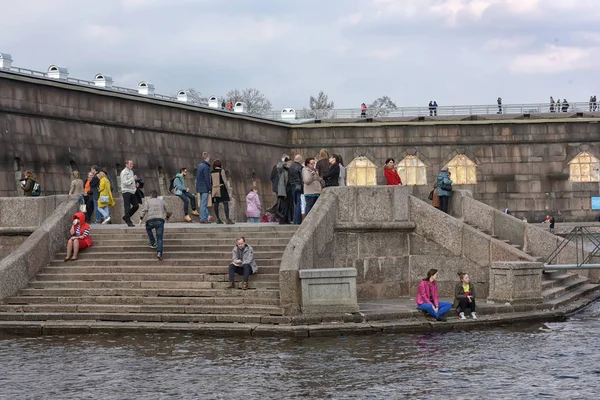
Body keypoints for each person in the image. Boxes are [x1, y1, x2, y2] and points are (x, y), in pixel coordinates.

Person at [138, 190, 172, 260]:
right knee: (159, 238)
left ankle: (152, 242)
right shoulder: (162, 201)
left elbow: (144, 210)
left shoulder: (148, 201)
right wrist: (167, 217)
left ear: (151, 195)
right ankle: (159, 252)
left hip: (150, 221)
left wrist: (141, 219)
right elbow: (169, 210)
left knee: (148, 228)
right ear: (157, 195)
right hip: (160, 221)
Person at [211, 160, 234, 224]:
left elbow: (211, 181)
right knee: (225, 203)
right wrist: (227, 187)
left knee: (216, 204)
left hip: (214, 189)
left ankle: (218, 219)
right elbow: (224, 180)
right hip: (221, 188)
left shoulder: (211, 172)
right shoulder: (221, 171)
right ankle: (227, 219)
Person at [120, 160, 139, 227]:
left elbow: (132, 181)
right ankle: (128, 221)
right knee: (127, 207)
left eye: (132, 164)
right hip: (126, 191)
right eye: (130, 164)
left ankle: (126, 217)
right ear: (126, 165)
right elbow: (124, 182)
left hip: (132, 191)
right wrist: (132, 178)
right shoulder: (124, 172)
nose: (132, 165)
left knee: (136, 205)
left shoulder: (131, 171)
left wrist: (136, 184)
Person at [196, 152, 212, 223]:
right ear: (207, 158)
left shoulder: (199, 166)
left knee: (202, 202)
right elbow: (207, 178)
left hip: (199, 186)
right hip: (204, 187)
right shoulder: (206, 167)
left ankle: (203, 217)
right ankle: (203, 218)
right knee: (204, 203)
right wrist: (209, 187)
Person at [276, 157, 293, 224]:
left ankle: (287, 219)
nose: (290, 164)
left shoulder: (290, 170)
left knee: (289, 205)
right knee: (284, 205)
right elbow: (279, 166)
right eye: (289, 163)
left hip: (289, 189)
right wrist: (284, 161)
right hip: (284, 190)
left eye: (290, 163)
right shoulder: (282, 170)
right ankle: (282, 219)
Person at [289, 154, 304, 225]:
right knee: (299, 203)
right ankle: (298, 220)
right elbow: (301, 178)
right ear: (300, 160)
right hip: (299, 186)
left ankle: (294, 219)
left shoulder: (291, 167)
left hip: (292, 186)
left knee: (295, 203)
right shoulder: (300, 167)